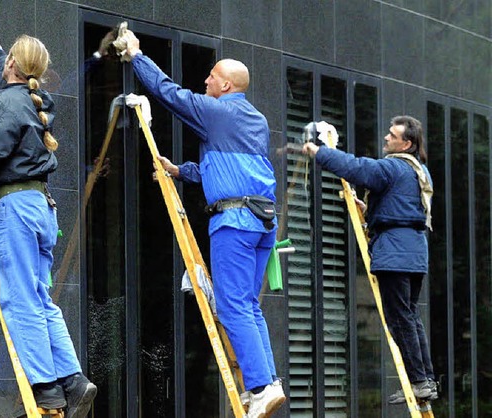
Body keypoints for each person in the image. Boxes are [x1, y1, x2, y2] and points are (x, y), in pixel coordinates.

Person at [120, 30, 286, 417]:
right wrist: (183, 171)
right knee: (249, 306)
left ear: (226, 85)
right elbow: (230, 165)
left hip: (235, 222)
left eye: (211, 76)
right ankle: (269, 383)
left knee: (231, 308)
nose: (206, 80)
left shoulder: (216, 111)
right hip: (263, 220)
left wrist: (137, 55)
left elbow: (168, 93)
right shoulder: (255, 119)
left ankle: (259, 387)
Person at [0, 25, 96, 416]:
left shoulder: (5, 102)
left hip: (16, 208)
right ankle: (73, 380)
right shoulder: (36, 100)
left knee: (19, 300)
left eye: (6, 60)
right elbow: (18, 91)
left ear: (13, 65)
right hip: (41, 207)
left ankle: (46, 389)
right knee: (40, 299)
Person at [302, 116, 438, 404]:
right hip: (414, 251)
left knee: (399, 319)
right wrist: (372, 211)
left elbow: (358, 168)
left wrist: (320, 152)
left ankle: (418, 382)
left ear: (407, 143)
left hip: (395, 254)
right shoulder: (418, 171)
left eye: (392, 135)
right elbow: (401, 206)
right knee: (411, 318)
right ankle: (426, 381)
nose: (386, 138)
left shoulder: (393, 166)